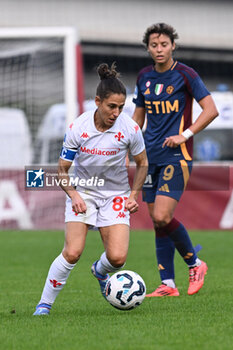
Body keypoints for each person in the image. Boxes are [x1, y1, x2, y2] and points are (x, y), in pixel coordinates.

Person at [33, 63, 148, 315]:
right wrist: (73, 194)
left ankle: (99, 270)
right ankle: (44, 304)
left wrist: (133, 196)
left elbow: (142, 163)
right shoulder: (78, 128)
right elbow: (62, 170)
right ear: (98, 101)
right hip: (84, 192)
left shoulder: (130, 129)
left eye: (121, 107)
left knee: (117, 258)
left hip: (115, 195)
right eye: (111, 106)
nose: (116, 113)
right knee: (72, 252)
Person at [132, 23, 218, 297]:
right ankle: (168, 283)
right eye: (154, 45)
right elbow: (138, 119)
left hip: (176, 156)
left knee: (162, 214)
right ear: (148, 47)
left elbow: (211, 109)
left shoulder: (185, 74)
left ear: (173, 46)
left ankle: (195, 263)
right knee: (157, 221)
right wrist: (126, 146)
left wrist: (186, 134)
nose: (159, 49)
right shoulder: (143, 76)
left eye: (164, 45)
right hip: (149, 158)